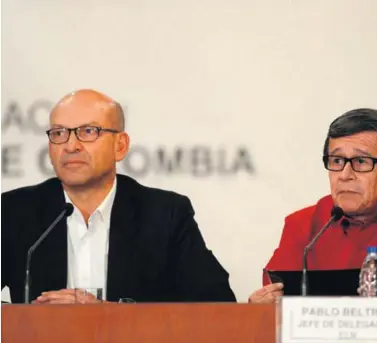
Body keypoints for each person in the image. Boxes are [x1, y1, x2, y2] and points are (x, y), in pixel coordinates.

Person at [1, 89, 236, 304]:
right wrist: (25, 320)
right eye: (59, 133)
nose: (71, 145)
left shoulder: (165, 215)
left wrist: (108, 315)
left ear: (120, 146)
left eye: (88, 131)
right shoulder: (13, 211)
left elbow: (216, 304)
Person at [249, 108, 377, 303]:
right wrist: (261, 308)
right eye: (337, 161)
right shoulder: (303, 225)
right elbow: (275, 302)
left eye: (361, 161)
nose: (345, 175)